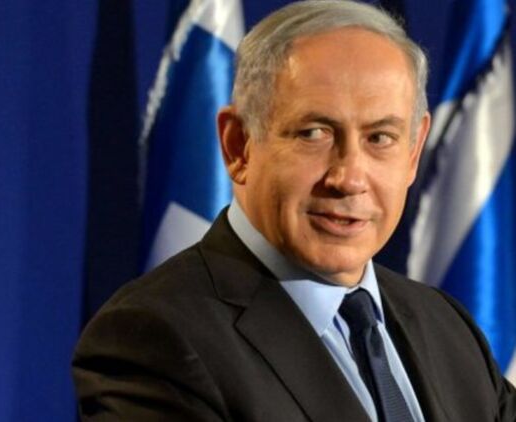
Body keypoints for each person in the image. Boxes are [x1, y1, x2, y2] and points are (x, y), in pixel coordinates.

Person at [72, 1, 516, 421]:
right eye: (314, 133)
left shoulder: (448, 328)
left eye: (380, 138)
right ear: (238, 145)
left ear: (414, 152)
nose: (349, 178)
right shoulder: (154, 338)